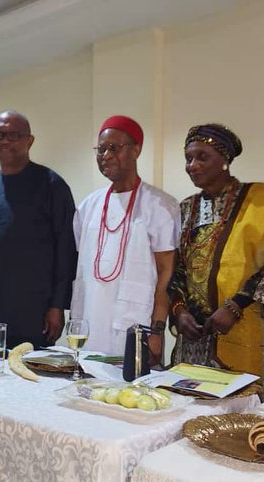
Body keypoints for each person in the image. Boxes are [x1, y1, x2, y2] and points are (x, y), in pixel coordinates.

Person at [168, 123, 264, 385]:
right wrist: (179, 310)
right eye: (188, 158)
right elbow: (176, 267)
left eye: (203, 157)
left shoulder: (263, 201)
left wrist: (236, 305)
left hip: (245, 324)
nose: (192, 165)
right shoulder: (185, 208)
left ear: (225, 161)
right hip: (194, 333)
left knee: (244, 406)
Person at [71, 115, 180, 361]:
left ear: (136, 150)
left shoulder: (161, 206)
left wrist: (157, 331)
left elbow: (166, 274)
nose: (105, 155)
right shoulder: (88, 206)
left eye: (114, 148)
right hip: (89, 323)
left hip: (135, 326)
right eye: (100, 149)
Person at [0, 111, 76, 349]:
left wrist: (57, 305)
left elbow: (65, 250)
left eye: (14, 135)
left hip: (34, 311)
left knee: (32, 379)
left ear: (30, 140)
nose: (5, 140)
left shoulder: (52, 185)